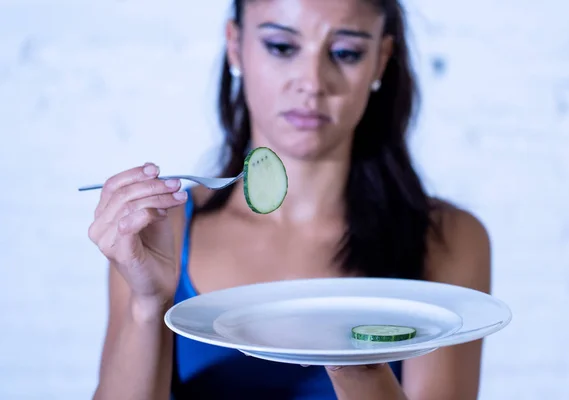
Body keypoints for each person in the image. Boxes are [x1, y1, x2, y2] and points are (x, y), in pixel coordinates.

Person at [88, 0, 491, 399]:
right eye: (282, 47)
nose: (312, 82)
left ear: (380, 61)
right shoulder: (163, 228)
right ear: (235, 45)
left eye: (346, 53)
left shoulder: (447, 238)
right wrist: (147, 303)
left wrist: (351, 360)